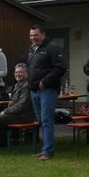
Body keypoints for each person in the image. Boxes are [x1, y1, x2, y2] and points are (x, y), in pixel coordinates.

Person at [27, 24, 65, 160]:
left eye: (36, 35)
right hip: (34, 90)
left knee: (47, 120)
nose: (33, 38)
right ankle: (45, 149)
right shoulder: (32, 48)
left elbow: (60, 68)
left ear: (43, 34)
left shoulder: (53, 48)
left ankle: (48, 152)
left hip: (47, 90)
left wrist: (45, 81)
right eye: (31, 35)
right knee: (41, 121)